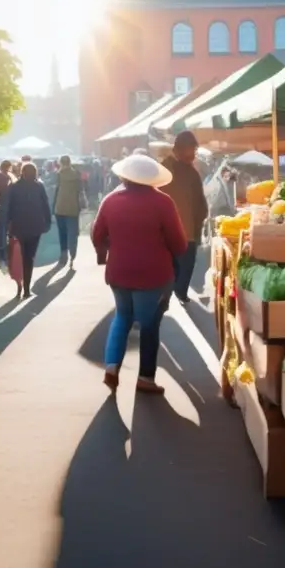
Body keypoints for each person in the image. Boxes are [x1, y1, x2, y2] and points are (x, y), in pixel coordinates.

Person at [91, 154, 187, 394]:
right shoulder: (163, 202)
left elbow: (97, 235)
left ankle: (112, 367)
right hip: (153, 275)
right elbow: (179, 244)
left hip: (119, 272)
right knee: (149, 324)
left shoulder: (111, 200)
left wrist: (108, 251)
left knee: (122, 317)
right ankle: (145, 378)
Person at [160, 131, 209, 304]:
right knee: (176, 265)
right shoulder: (166, 169)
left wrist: (201, 219)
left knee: (185, 265)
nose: (193, 154)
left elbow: (200, 202)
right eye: (191, 150)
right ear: (179, 150)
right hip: (172, 231)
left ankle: (179, 292)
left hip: (188, 229)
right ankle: (172, 294)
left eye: (194, 150)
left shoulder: (192, 173)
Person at [0, 162, 51, 299]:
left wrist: (7, 226)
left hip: (19, 226)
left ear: (22, 172)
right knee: (29, 257)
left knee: (18, 257)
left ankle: (20, 285)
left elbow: (8, 207)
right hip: (35, 227)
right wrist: (47, 223)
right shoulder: (39, 186)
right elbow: (45, 205)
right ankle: (26, 288)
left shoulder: (14, 187)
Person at [53, 155, 85, 268]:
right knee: (73, 232)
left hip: (60, 207)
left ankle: (63, 254)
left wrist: (53, 207)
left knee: (62, 232)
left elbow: (55, 191)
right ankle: (73, 253)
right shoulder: (76, 174)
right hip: (73, 207)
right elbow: (81, 190)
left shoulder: (58, 175)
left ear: (61, 163)